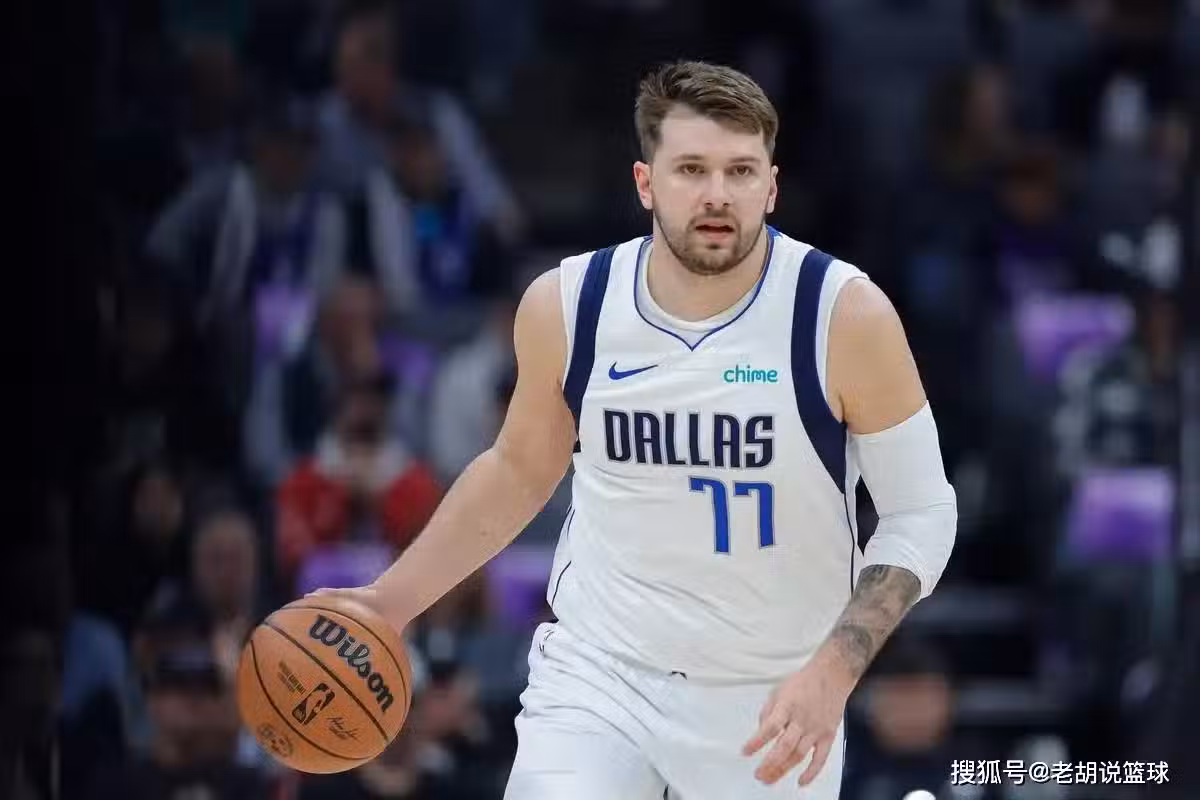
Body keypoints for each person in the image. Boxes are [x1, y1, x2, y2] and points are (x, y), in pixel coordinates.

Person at [312, 60, 957, 799]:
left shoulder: (843, 315)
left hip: (772, 691)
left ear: (772, 187)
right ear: (646, 183)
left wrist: (835, 670)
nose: (718, 195)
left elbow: (921, 512)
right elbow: (518, 470)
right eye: (692, 169)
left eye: (741, 171)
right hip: (600, 675)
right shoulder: (570, 304)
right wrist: (387, 604)